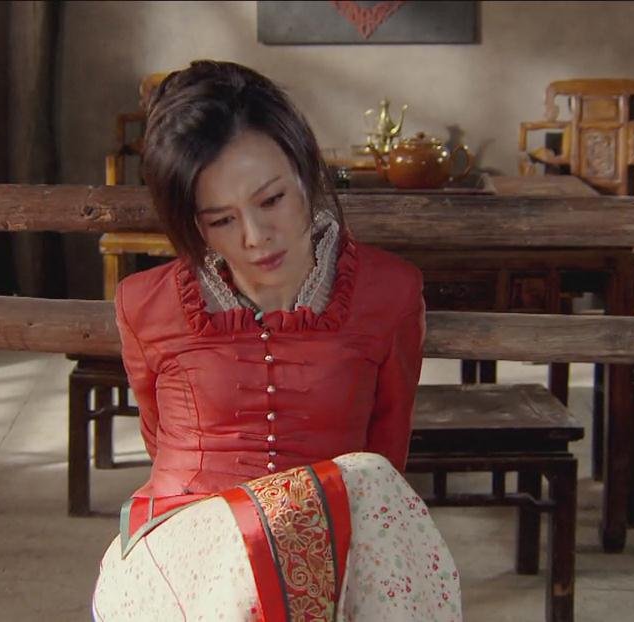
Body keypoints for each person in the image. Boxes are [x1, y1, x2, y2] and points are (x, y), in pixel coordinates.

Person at [92, 60, 460, 621]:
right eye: (221, 220)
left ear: (305, 172)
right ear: (193, 223)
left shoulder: (390, 291)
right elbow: (158, 436)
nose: (255, 237)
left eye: (271, 201)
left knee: (371, 480)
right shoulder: (145, 303)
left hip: (336, 535)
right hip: (191, 549)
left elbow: (387, 451)